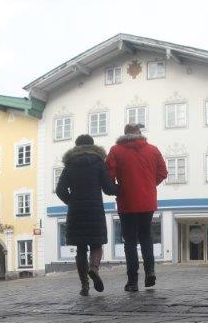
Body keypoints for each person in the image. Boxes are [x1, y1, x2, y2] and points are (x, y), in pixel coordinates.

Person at [106, 123, 167, 292]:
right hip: (147, 201)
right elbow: (163, 172)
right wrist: (148, 185)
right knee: (146, 237)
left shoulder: (116, 150)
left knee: (130, 242)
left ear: (124, 134)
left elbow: (108, 175)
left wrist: (117, 189)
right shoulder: (153, 150)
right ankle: (150, 272)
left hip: (127, 202)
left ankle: (132, 282)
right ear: (139, 134)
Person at [57, 134, 118, 296]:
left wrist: (71, 201)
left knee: (80, 249)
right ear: (92, 146)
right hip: (95, 209)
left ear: (76, 147)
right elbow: (108, 188)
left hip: (76, 210)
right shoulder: (98, 162)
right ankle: (94, 268)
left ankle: (84, 286)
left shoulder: (69, 164)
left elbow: (60, 190)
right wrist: (123, 188)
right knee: (97, 244)